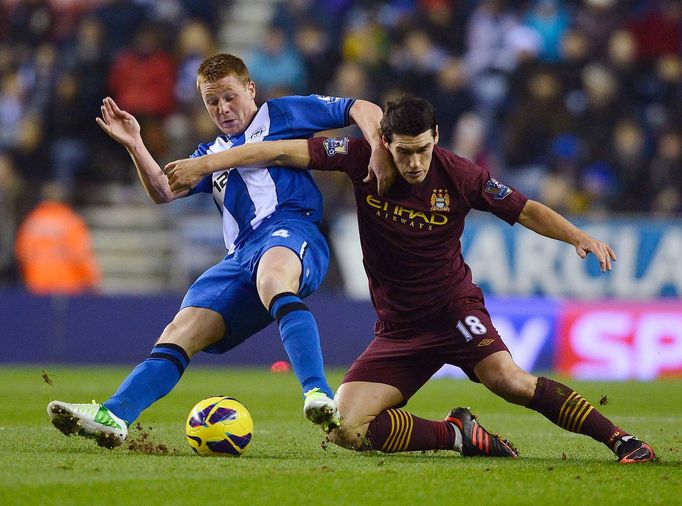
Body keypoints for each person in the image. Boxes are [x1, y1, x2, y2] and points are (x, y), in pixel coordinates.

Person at [163, 95, 656, 463]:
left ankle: (621, 440)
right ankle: (457, 434)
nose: (415, 163)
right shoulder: (358, 158)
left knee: (508, 381)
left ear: (436, 137)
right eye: (403, 153)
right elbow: (273, 152)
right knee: (344, 429)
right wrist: (206, 164)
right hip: (398, 329)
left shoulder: (461, 175)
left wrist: (577, 237)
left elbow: (525, 210)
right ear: (385, 143)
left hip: (454, 311)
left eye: (422, 150)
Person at [47, 53, 393, 448]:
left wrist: (378, 147)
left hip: (292, 229)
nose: (223, 109)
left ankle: (316, 392)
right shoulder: (206, 153)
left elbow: (361, 107)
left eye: (229, 97)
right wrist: (135, 144)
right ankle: (115, 414)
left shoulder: (282, 115)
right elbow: (163, 190)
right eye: (212, 102)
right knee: (182, 330)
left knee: (274, 274)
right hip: (239, 257)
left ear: (250, 89)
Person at [15, 181, 100, 295]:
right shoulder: (70, 221)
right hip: (68, 287)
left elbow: (22, 254)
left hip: (37, 285)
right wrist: (91, 281)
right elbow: (80, 256)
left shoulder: (31, 222)